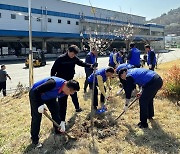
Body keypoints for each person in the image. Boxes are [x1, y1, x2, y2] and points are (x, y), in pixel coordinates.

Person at [51, 45, 97, 122]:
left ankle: (77, 108)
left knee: (74, 95)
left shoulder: (74, 58)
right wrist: (54, 82)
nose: (73, 56)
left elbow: (82, 63)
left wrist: (91, 66)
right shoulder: (60, 59)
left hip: (70, 81)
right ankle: (61, 120)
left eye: (74, 55)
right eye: (72, 54)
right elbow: (53, 71)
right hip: (62, 83)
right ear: (68, 51)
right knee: (62, 101)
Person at [29, 77, 80, 146]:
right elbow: (36, 91)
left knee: (56, 110)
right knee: (37, 117)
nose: (72, 94)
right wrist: (40, 105)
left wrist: (62, 121)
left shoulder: (65, 92)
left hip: (49, 97)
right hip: (36, 94)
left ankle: (58, 130)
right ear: (68, 88)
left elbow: (62, 106)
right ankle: (35, 140)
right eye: (72, 92)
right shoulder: (53, 83)